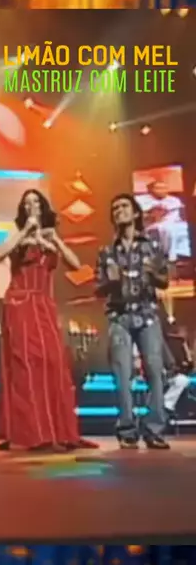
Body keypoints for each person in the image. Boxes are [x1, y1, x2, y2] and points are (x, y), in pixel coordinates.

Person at [0, 189, 98, 452]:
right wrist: (26, 231)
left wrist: (54, 238)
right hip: (20, 303)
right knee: (26, 363)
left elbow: (76, 265)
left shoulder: (50, 238)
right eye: (26, 203)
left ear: (43, 206)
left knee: (53, 362)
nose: (31, 206)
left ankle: (59, 430)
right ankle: (31, 431)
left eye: (35, 202)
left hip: (44, 305)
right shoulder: (19, 236)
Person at [95, 193, 170, 450]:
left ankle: (154, 428)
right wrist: (110, 282)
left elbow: (165, 280)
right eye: (115, 208)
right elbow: (97, 288)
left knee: (155, 372)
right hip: (119, 317)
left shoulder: (152, 245)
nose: (119, 211)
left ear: (136, 213)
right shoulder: (106, 251)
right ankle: (127, 429)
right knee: (122, 374)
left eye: (124, 206)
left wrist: (153, 274)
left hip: (147, 315)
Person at [135, 175, 190, 262]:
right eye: (158, 188)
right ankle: (170, 256)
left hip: (174, 222)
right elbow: (137, 215)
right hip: (151, 224)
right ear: (150, 189)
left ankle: (184, 255)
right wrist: (151, 214)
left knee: (187, 228)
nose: (162, 190)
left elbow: (180, 214)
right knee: (168, 230)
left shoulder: (174, 200)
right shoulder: (139, 200)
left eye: (164, 188)